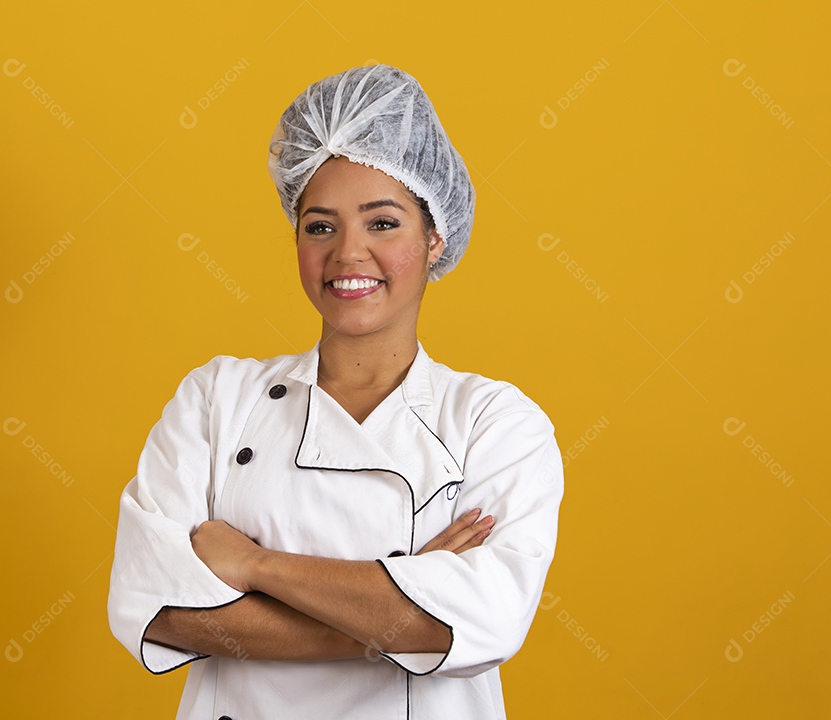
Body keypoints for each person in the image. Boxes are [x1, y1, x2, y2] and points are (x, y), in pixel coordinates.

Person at [108, 64, 564, 719]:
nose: (349, 254)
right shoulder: (215, 400)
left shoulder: (495, 422)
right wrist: (398, 611)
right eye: (320, 226)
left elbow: (484, 622)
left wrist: (255, 566)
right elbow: (157, 607)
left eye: (382, 223)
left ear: (435, 238)